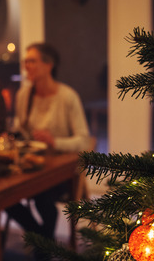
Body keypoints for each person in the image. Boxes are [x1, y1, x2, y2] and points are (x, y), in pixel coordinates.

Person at [7, 42, 91, 242]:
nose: (27, 66)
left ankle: (42, 244)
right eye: (25, 61)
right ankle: (41, 239)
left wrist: (55, 142)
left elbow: (84, 141)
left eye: (32, 61)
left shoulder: (67, 97)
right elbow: (21, 130)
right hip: (33, 166)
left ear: (49, 65)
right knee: (5, 196)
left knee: (41, 198)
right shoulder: (23, 95)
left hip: (62, 170)